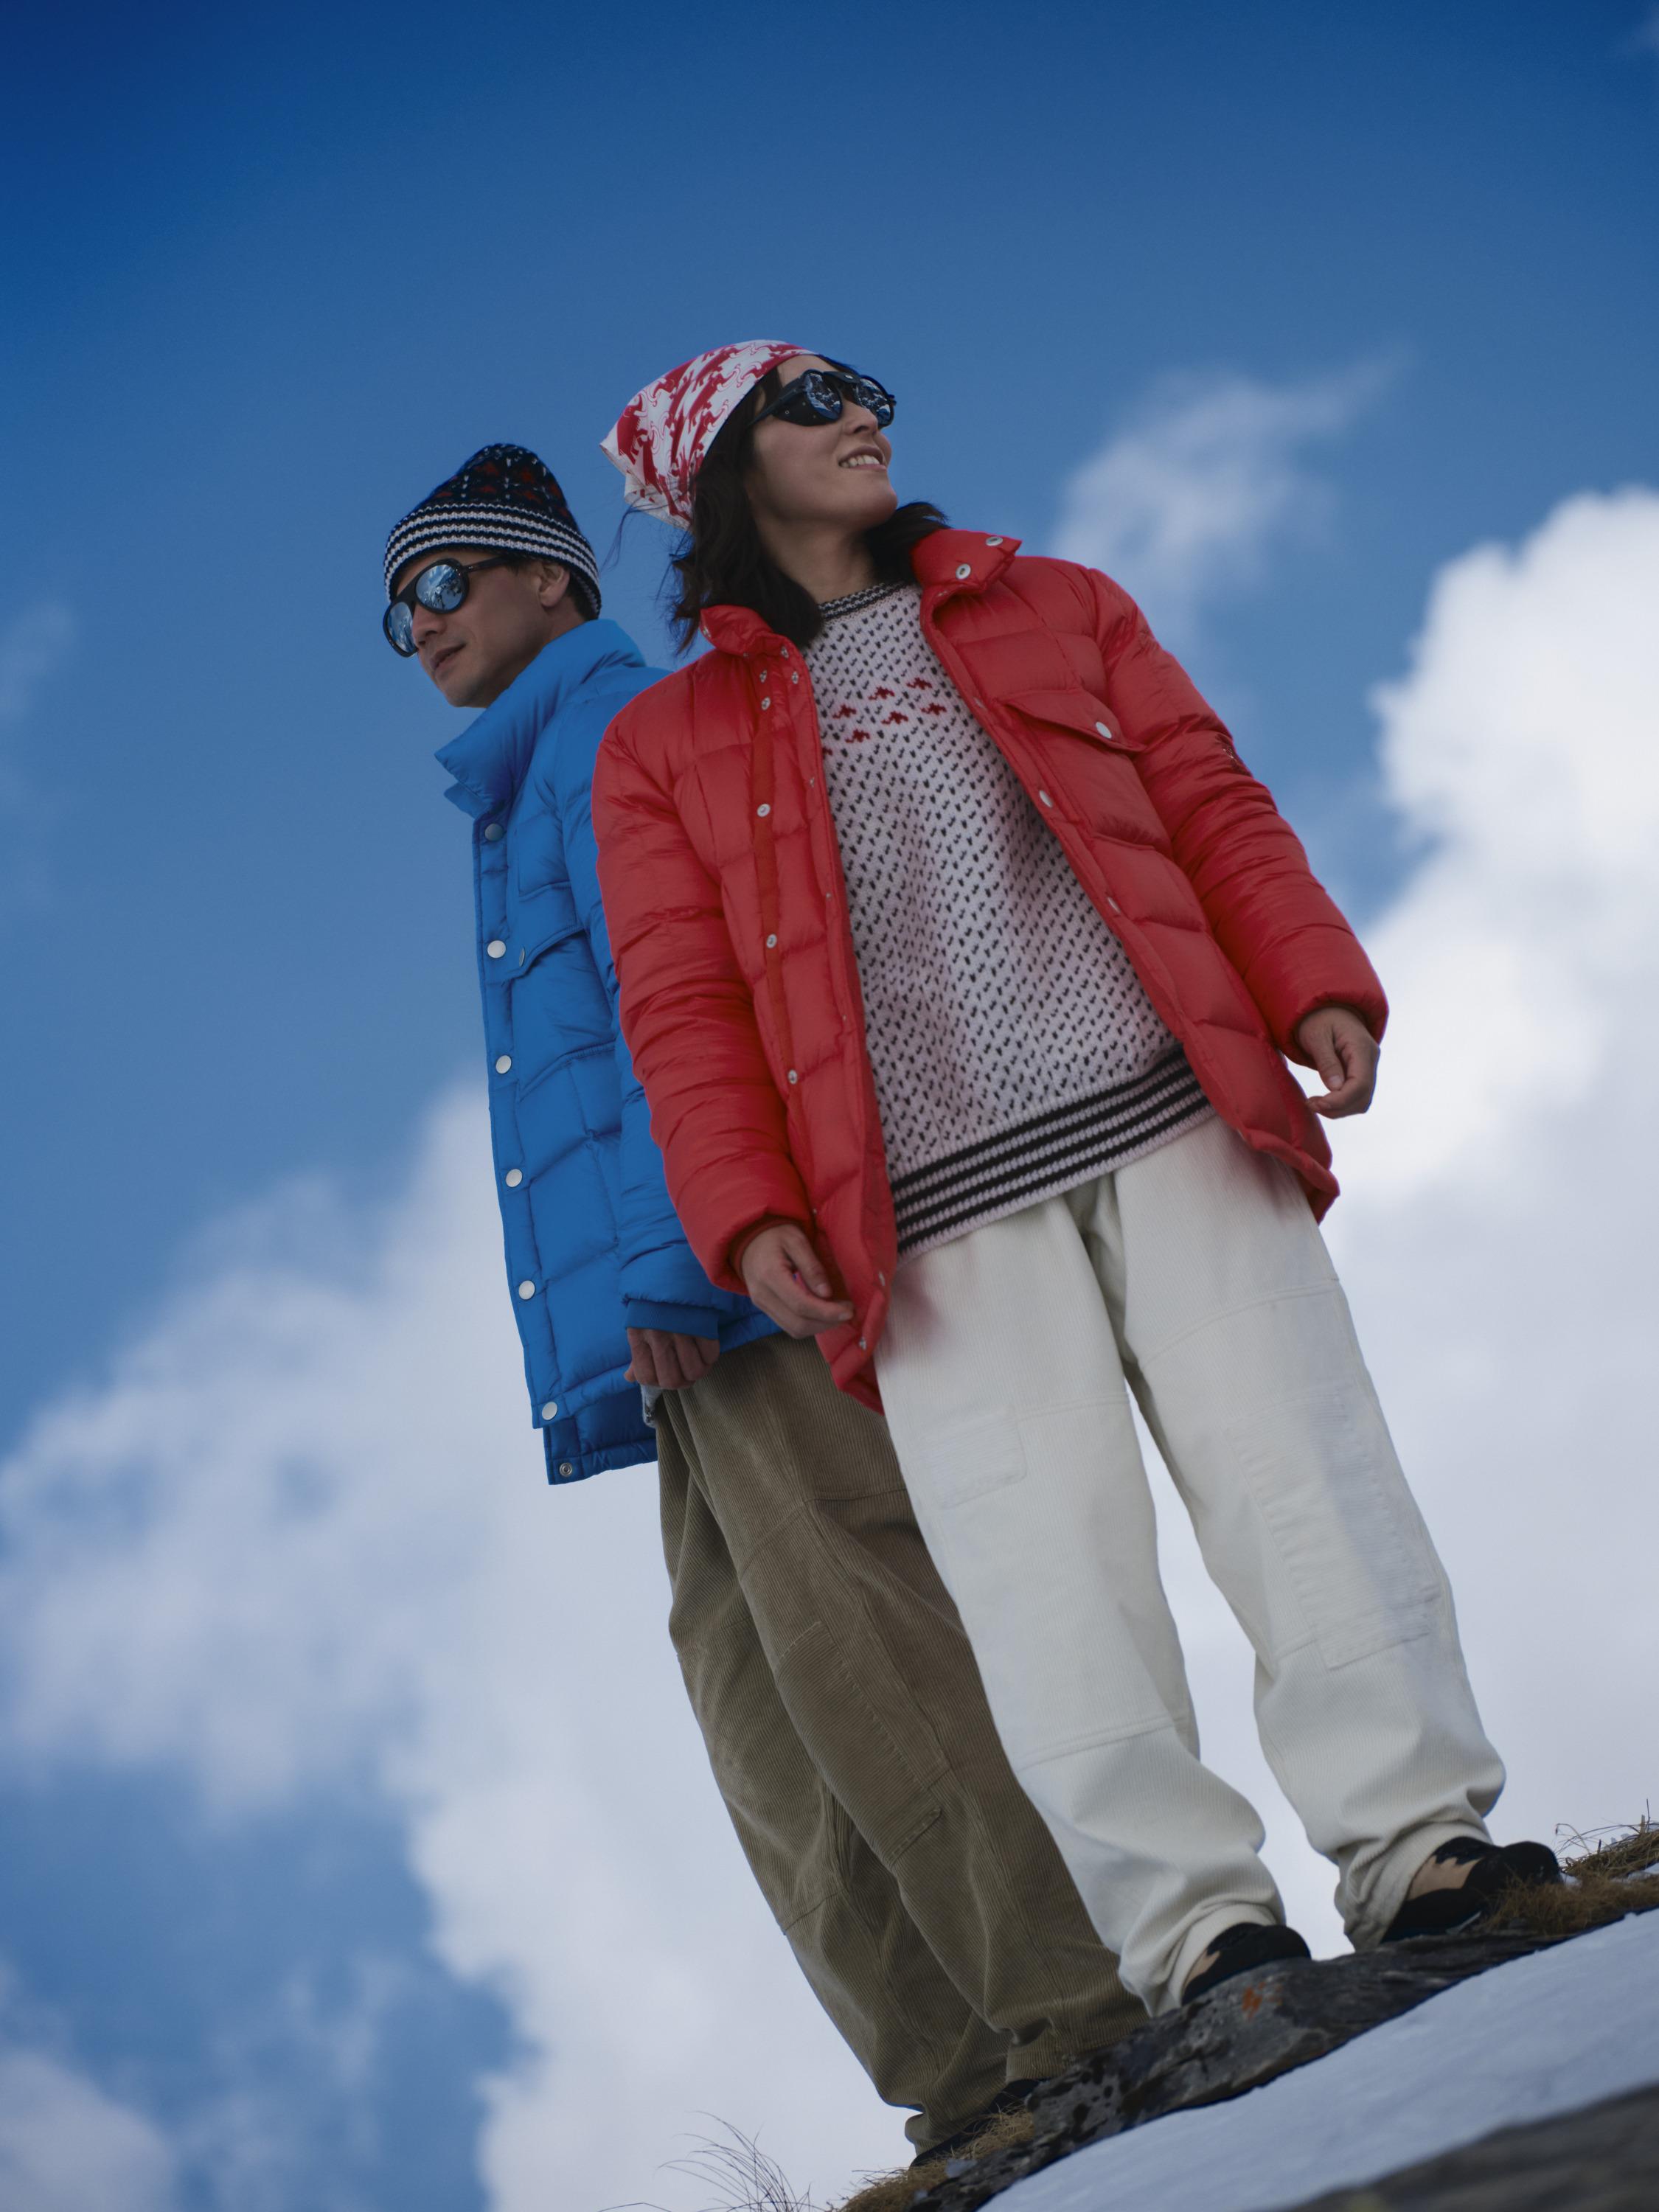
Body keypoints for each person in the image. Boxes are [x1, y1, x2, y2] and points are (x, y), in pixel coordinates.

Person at [591, 345, 1561, 2020]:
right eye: (813, 403)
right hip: (924, 1221)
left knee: (1305, 1488)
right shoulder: (660, 743)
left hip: (1177, 1114)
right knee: (1050, 1584)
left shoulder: (1054, 603)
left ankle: (1418, 1849)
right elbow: (679, 1004)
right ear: (723, 470)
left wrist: (1310, 972)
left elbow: (1206, 796)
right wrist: (746, 1210)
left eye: (866, 388)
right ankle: (1199, 1932)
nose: (865, 415)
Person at [379, 442, 1143, 2161]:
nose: (416, 625)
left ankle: (1079, 2018)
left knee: (865, 1654)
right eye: (394, 608)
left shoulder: (603, 733)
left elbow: (689, 989)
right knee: (766, 1722)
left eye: (443, 581)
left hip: (718, 1291)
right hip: (663, 1350)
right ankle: (967, 2090)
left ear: (550, 583)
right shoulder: (522, 786)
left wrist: (677, 1251)